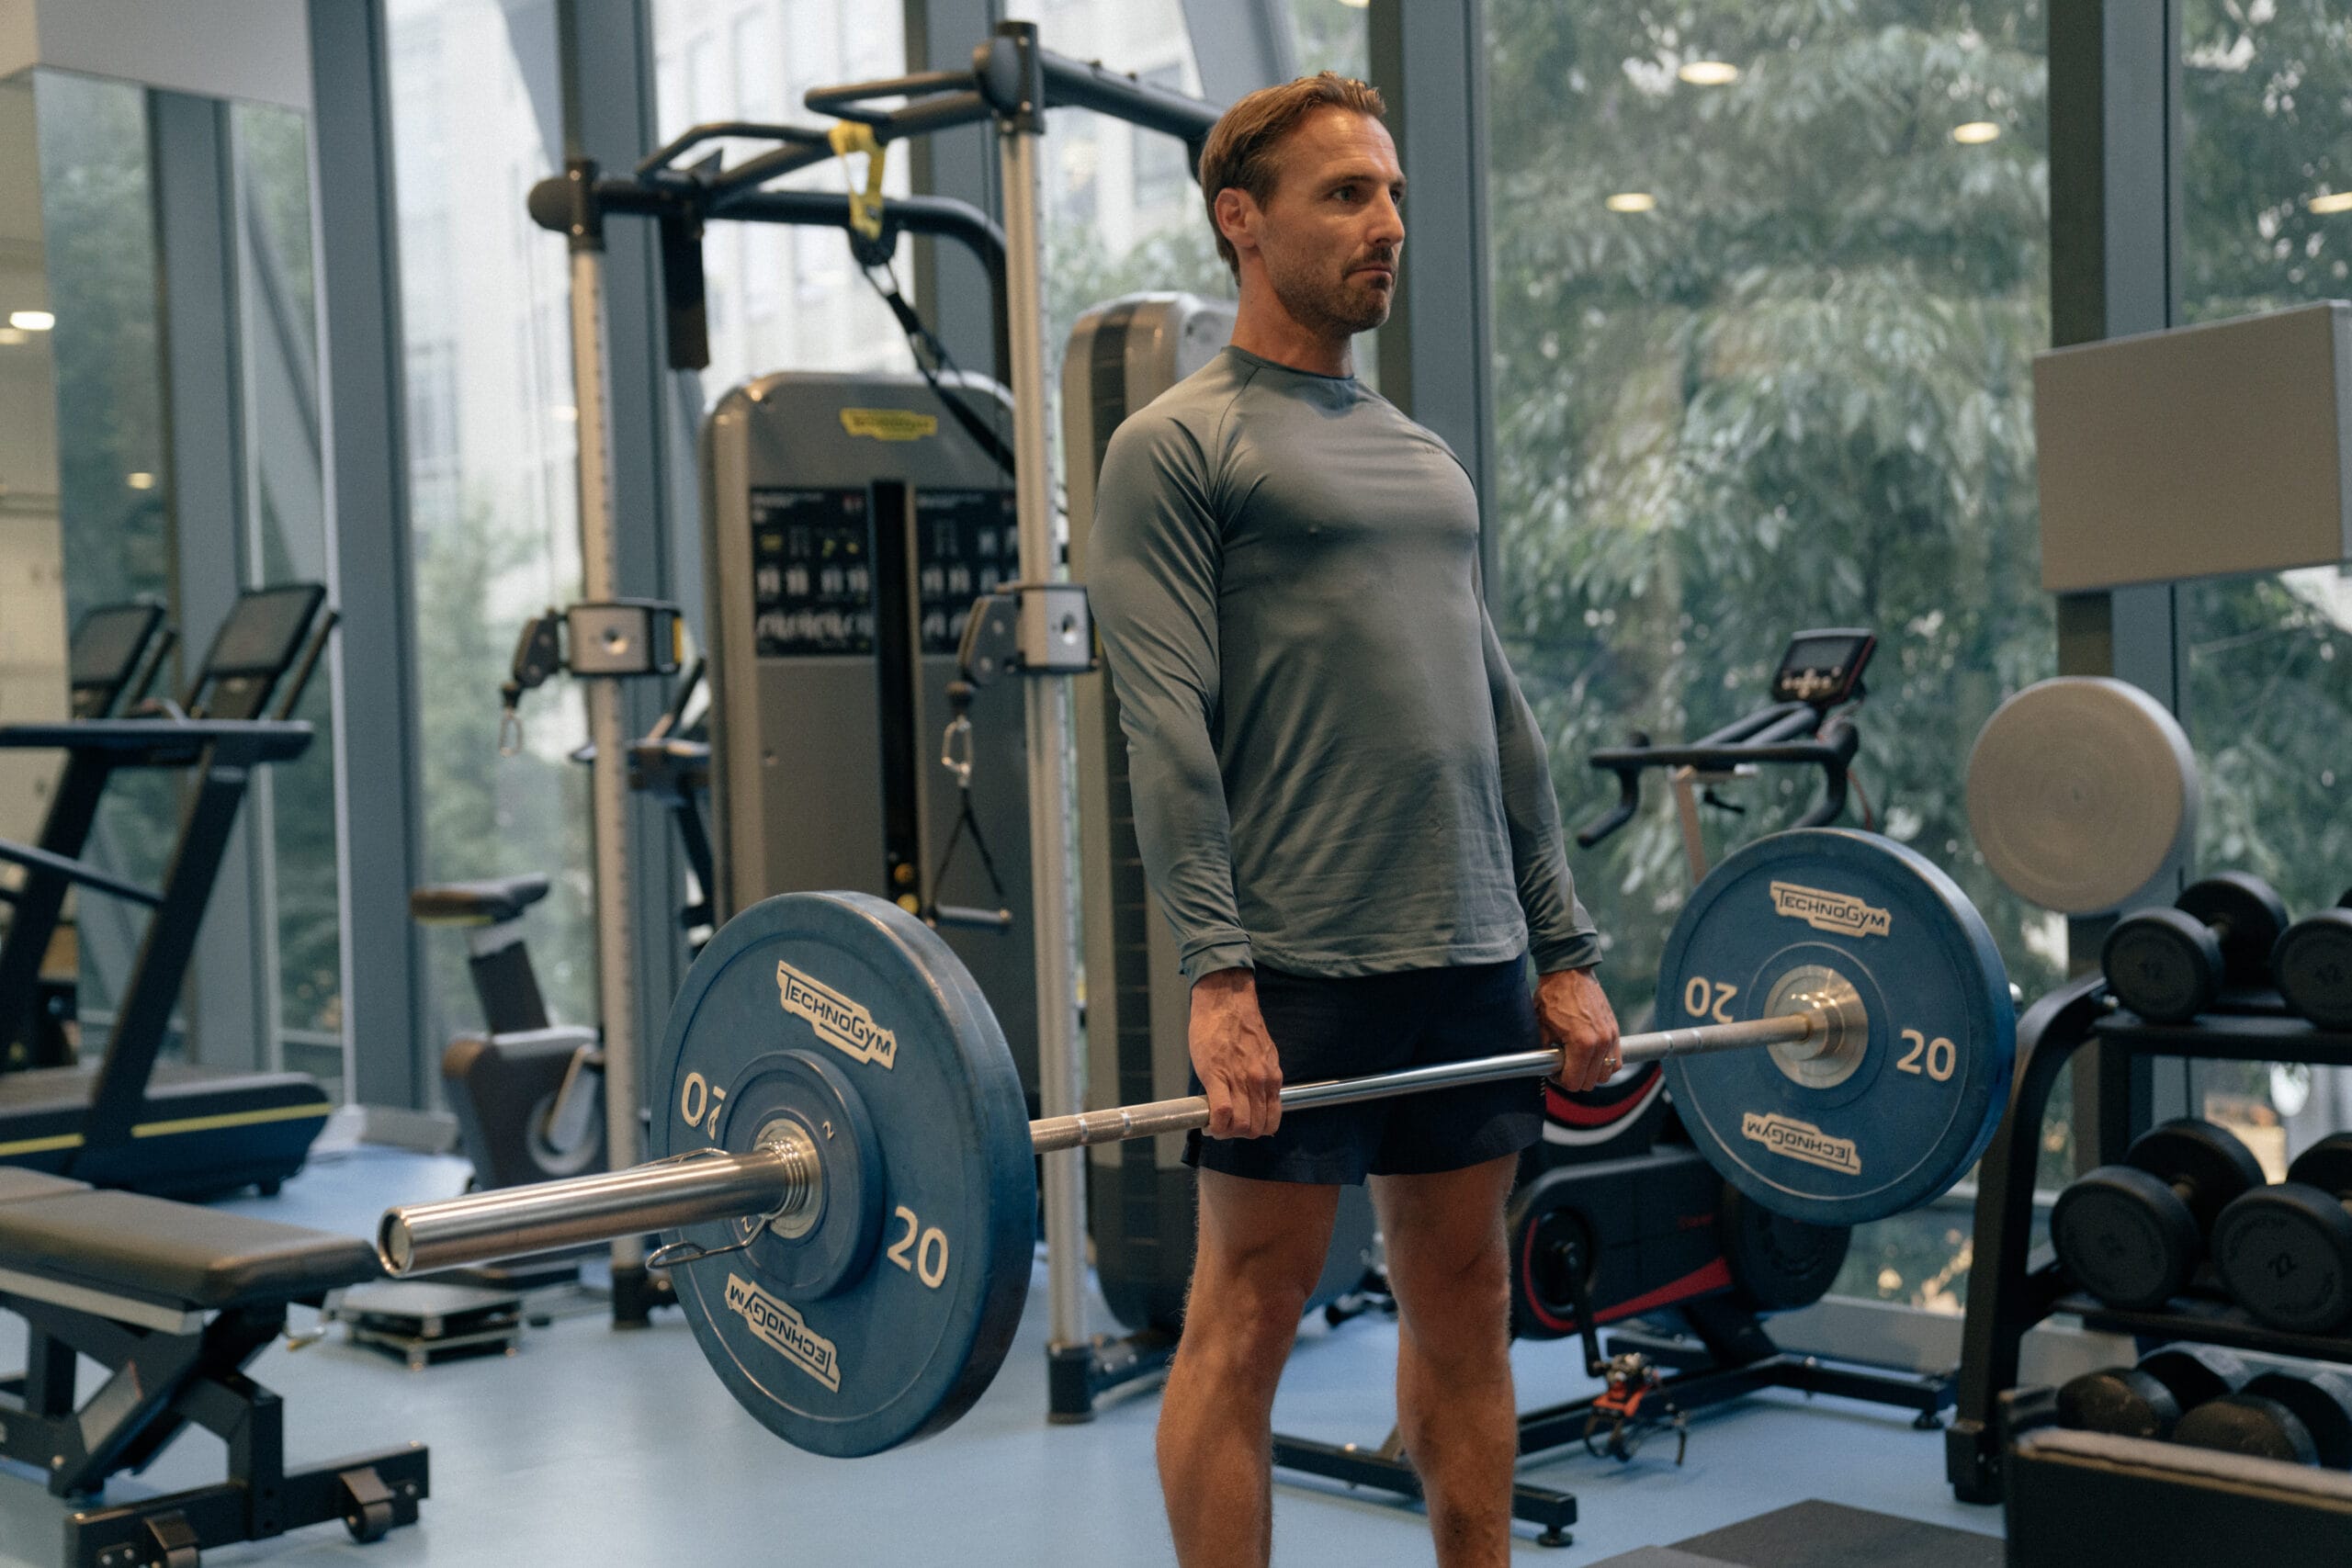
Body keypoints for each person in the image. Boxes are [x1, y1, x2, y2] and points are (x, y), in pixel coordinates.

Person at [1086, 72, 1623, 1568]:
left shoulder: (1422, 455)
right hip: (1301, 960)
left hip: (1465, 948)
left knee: (1464, 1302)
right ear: (1241, 223)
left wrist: (1564, 944)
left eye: (1391, 194)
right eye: (1347, 196)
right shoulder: (1177, 447)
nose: (1386, 224)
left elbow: (1496, 712)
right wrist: (1217, 977)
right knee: (1244, 1322)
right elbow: (1166, 728)